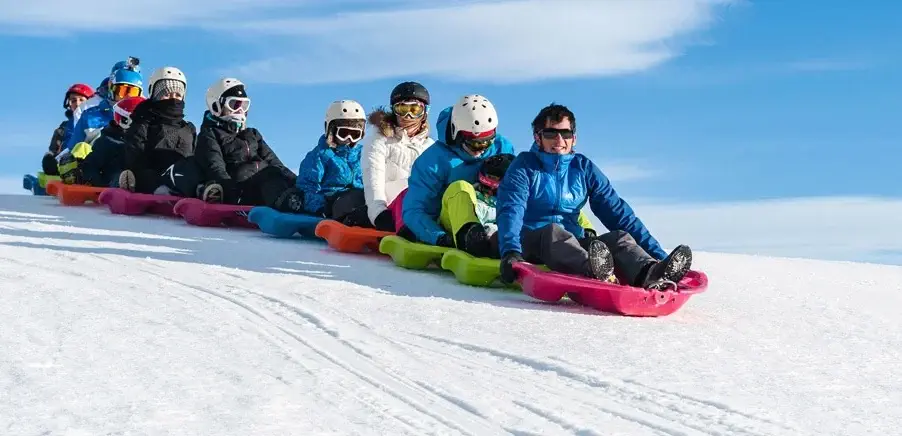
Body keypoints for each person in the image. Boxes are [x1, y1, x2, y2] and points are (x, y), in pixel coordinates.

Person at [496, 103, 693, 290]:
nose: (559, 141)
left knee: (620, 238)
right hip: (530, 242)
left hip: (571, 245)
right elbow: (511, 210)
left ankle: (650, 272)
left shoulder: (582, 168)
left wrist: (658, 255)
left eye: (565, 134)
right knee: (553, 232)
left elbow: (618, 213)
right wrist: (510, 251)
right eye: (551, 133)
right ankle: (594, 269)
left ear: (574, 138)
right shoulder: (524, 166)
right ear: (538, 138)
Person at [399, 94, 517, 258]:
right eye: (475, 143)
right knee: (460, 188)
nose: (481, 149)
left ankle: (506, 240)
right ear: (457, 134)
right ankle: (471, 237)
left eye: (487, 142)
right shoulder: (433, 161)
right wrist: (439, 237)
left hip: (493, 216)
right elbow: (414, 209)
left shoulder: (502, 147)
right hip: (449, 226)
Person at [194, 77, 302, 210]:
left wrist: (300, 184)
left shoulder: (253, 134)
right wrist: (229, 192)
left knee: (276, 173)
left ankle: (302, 201)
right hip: (239, 189)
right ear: (217, 105)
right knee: (269, 175)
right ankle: (286, 205)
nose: (240, 110)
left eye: (244, 105)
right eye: (234, 105)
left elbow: (276, 163)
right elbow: (216, 168)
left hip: (266, 184)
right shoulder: (210, 134)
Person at [356, 81, 435, 231]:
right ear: (393, 111)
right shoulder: (379, 140)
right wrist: (379, 213)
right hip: (390, 208)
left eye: (415, 109)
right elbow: (373, 178)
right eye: (402, 108)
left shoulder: (430, 147)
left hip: (421, 210)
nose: (408, 115)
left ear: (425, 112)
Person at [118, 66, 199, 196]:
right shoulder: (143, 122)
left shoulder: (188, 128)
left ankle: (202, 190)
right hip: (154, 176)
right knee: (145, 174)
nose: (173, 98)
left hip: (183, 174)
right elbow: (135, 158)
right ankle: (161, 191)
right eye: (166, 94)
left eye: (178, 94)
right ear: (155, 95)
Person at [295, 100, 368, 220]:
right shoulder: (320, 155)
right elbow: (306, 188)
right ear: (331, 130)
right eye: (343, 133)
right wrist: (321, 208)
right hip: (333, 202)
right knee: (355, 198)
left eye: (355, 134)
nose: (348, 139)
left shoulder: (365, 154)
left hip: (363, 200)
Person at [59, 96, 146, 187]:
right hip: (113, 180)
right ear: (125, 120)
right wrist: (96, 183)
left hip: (142, 176)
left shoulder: (147, 140)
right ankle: (124, 185)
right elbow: (92, 165)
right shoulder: (107, 141)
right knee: (119, 176)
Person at [63, 66, 143, 155]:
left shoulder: (144, 118)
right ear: (112, 88)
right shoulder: (90, 117)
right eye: (122, 91)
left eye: (133, 92)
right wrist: (56, 164)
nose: (128, 97)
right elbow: (70, 151)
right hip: (95, 165)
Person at [42, 83, 95, 176]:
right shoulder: (63, 127)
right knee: (48, 160)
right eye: (73, 100)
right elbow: (54, 149)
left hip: (89, 163)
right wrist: (51, 158)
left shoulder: (95, 123)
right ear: (69, 104)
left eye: (81, 100)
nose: (77, 103)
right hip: (65, 164)